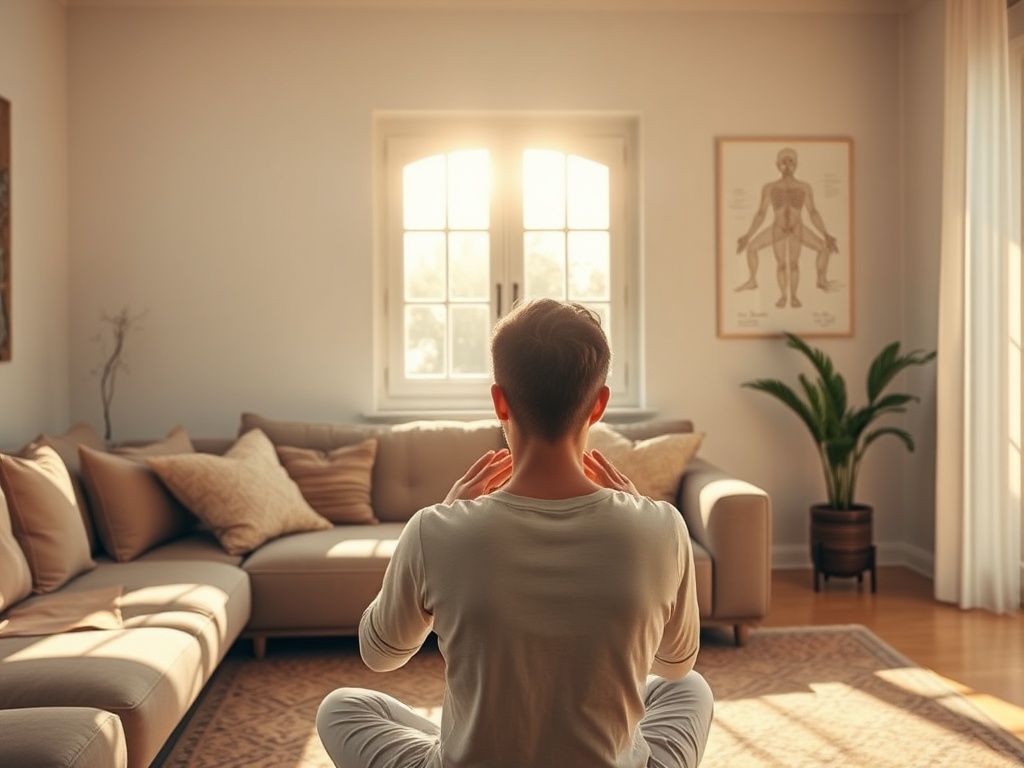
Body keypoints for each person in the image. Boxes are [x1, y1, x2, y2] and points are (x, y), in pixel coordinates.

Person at [316, 298, 713, 768]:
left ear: (499, 401)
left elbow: (380, 654)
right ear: (599, 405)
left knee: (341, 707)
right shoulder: (663, 527)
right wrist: (642, 514)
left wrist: (443, 520)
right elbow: (675, 665)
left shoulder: (434, 529)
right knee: (691, 688)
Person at [734, 147, 839, 308]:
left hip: (797, 228)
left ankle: (814, 284)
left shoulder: (804, 187)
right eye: (784, 162)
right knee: (769, 257)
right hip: (778, 228)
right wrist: (748, 235)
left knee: (806, 257)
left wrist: (826, 234)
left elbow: (813, 212)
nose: (788, 166)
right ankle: (765, 286)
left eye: (791, 162)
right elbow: (761, 213)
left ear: (796, 165)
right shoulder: (769, 188)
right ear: (778, 165)